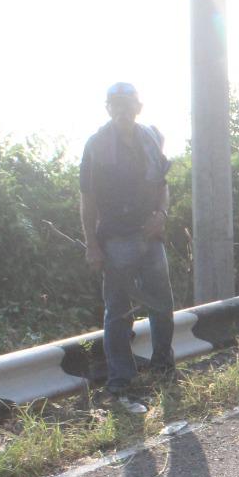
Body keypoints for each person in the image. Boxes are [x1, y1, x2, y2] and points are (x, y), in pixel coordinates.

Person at [79, 81, 176, 411]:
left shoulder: (151, 137)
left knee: (162, 305)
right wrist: (91, 245)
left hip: (150, 236)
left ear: (138, 106)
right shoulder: (96, 145)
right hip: (116, 238)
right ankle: (120, 384)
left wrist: (161, 215)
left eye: (127, 103)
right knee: (118, 312)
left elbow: (163, 186)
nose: (122, 110)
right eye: (115, 104)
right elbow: (87, 201)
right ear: (108, 108)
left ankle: (164, 370)